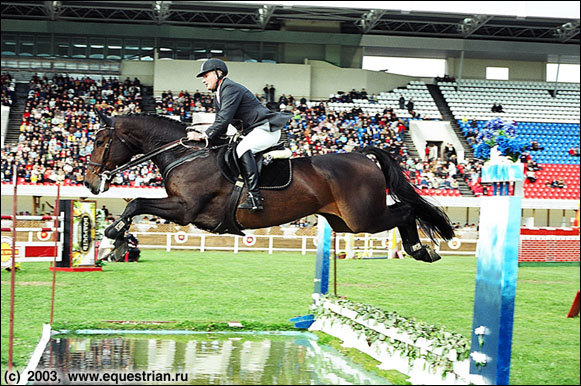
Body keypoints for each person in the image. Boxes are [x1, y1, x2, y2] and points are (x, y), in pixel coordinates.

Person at [186, 59, 292, 212]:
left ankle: (254, 197)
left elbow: (223, 120)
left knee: (241, 149)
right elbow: (221, 125)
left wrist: (204, 135)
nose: (203, 80)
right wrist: (205, 139)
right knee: (232, 148)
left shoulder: (230, 88)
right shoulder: (219, 95)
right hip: (255, 131)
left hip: (266, 129)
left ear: (218, 73)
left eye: (206, 76)